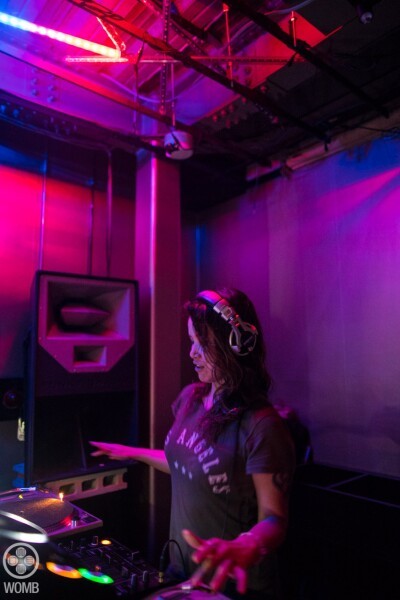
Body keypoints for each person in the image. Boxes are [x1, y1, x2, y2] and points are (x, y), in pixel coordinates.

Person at [90, 288, 296, 599]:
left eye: (203, 344)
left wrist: (247, 544)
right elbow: (188, 462)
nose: (192, 353)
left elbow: (275, 518)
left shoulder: (262, 425)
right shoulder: (190, 398)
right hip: (183, 574)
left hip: (233, 586)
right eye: (191, 341)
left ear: (237, 344)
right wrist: (129, 452)